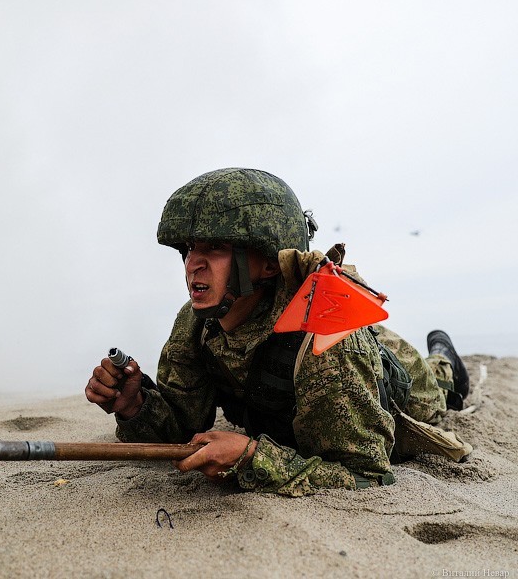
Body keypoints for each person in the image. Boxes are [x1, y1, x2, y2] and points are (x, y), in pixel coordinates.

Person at [84, 168, 470, 496]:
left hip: (401, 381)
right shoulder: (197, 323)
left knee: (440, 383)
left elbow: (366, 473)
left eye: (216, 247)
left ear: (269, 264)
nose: (193, 264)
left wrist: (251, 458)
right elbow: (182, 428)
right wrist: (134, 407)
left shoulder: (325, 341)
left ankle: (444, 355)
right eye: (189, 248)